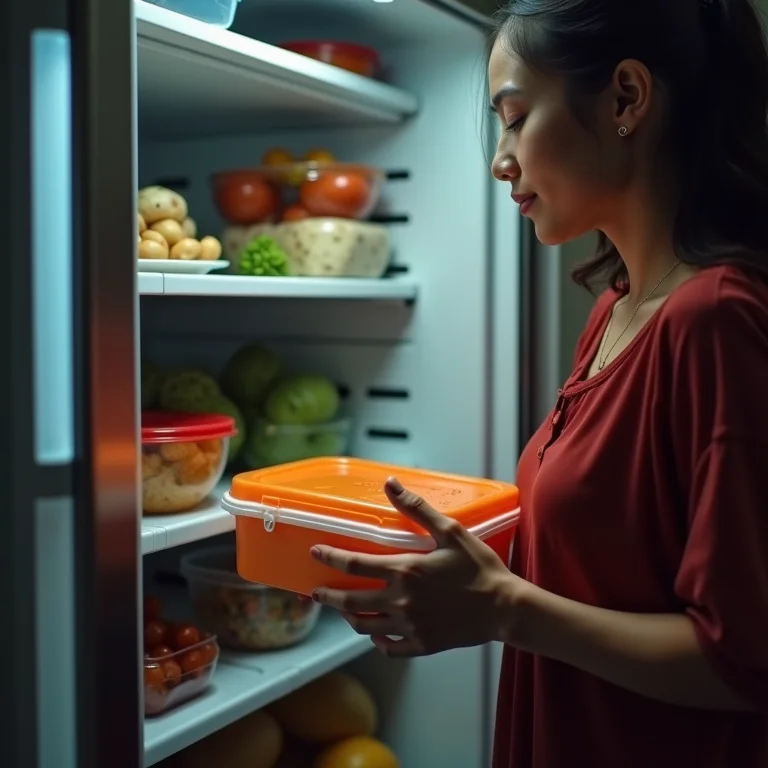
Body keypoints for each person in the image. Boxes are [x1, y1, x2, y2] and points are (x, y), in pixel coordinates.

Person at [309, 0, 768, 765]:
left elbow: (742, 660)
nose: (499, 157)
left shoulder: (715, 321)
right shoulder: (619, 310)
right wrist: (452, 570)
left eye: (516, 117)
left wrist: (505, 608)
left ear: (625, 98)